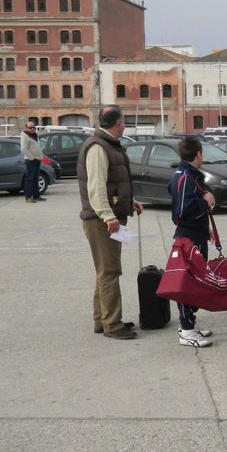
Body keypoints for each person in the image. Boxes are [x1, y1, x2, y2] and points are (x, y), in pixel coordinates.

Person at [77, 105, 143, 340]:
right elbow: (96, 187)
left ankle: (102, 319)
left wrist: (129, 202)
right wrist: (108, 215)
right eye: (123, 121)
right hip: (100, 221)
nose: (124, 125)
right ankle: (113, 325)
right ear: (119, 123)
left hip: (105, 218)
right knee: (110, 272)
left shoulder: (107, 144)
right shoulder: (98, 147)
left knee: (104, 271)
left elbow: (112, 184)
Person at [169, 137, 216, 348]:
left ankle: (189, 324)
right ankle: (186, 329)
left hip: (196, 234)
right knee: (187, 282)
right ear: (198, 154)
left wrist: (205, 227)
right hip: (188, 238)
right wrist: (205, 203)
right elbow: (181, 212)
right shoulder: (185, 177)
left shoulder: (188, 175)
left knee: (196, 281)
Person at [20, 119, 46, 203]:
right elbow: (23, 149)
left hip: (37, 159)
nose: (32, 129)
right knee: (30, 179)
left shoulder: (35, 135)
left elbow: (37, 146)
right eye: (30, 127)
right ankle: (28, 197)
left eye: (33, 127)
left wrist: (40, 155)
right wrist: (31, 157)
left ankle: (36, 196)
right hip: (30, 160)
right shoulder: (25, 136)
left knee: (36, 178)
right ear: (26, 128)